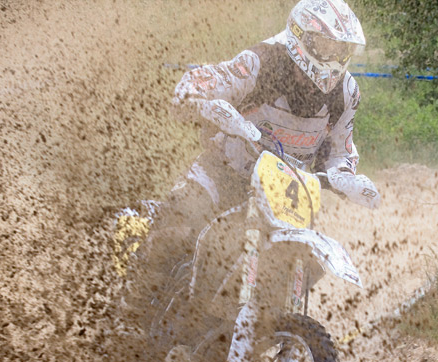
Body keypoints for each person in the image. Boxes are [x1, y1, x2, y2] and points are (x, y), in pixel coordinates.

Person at [128, 0, 379, 317]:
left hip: (284, 194)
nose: (332, 55)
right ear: (301, 35)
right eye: (325, 45)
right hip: (225, 173)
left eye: (339, 48)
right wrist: (210, 106)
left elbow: (341, 149)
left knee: (297, 259)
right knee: (177, 228)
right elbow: (197, 85)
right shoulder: (262, 62)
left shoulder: (345, 93)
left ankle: (273, 326)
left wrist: (344, 177)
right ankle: (130, 316)